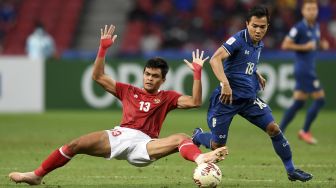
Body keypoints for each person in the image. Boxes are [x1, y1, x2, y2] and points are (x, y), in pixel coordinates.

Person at [8, 24, 228, 185]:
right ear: (143, 74)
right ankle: (36, 175)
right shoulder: (128, 91)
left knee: (180, 137)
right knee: (75, 145)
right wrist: (103, 49)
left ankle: (201, 158)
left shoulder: (167, 97)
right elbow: (97, 76)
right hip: (120, 135)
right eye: (147, 74)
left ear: (163, 80)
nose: (149, 78)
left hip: (145, 145)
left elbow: (195, 102)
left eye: (154, 76)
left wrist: (197, 74)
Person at [191, 5, 313, 182]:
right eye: (254, 26)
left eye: (262, 27)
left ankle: (291, 170)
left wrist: (256, 73)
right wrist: (225, 83)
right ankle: (198, 136)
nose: (258, 30)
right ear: (247, 23)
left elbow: (245, 61)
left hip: (248, 99)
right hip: (227, 99)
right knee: (218, 145)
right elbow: (215, 59)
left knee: (273, 128)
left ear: (267, 27)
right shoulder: (238, 40)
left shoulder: (259, 44)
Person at [279, 0, 329, 144]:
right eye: (309, 9)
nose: (312, 11)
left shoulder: (316, 27)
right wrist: (304, 47)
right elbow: (285, 44)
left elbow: (314, 44)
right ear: (303, 11)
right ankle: (305, 131)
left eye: (314, 9)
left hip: (308, 68)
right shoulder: (299, 27)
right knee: (320, 99)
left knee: (299, 103)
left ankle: (278, 131)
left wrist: (321, 45)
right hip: (304, 70)